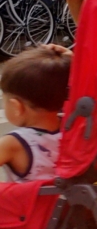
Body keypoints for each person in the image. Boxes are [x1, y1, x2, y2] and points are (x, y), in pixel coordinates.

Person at [0, 45, 71, 182]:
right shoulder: (74, 128)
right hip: (69, 201)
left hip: (28, 203)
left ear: (17, 107)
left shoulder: (13, 144)